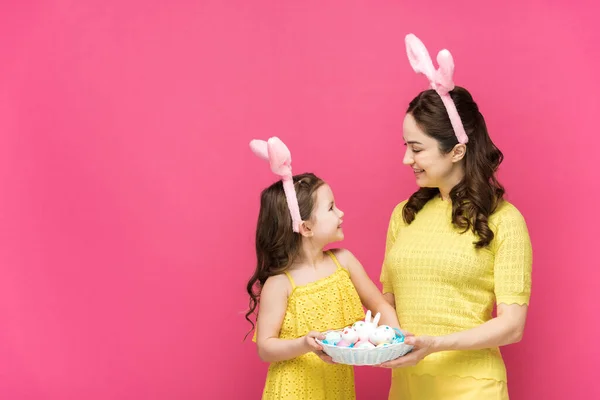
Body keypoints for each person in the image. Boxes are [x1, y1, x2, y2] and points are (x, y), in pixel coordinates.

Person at [377, 34, 532, 400]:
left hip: (472, 388)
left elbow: (512, 327)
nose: (406, 159)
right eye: (405, 147)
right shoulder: (405, 215)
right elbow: (389, 305)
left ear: (457, 150)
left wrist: (435, 344)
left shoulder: (504, 220)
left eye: (417, 149)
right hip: (406, 387)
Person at [245, 137, 402, 400]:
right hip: (293, 390)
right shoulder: (281, 283)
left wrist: (397, 342)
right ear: (305, 228)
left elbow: (381, 305)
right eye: (331, 208)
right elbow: (265, 347)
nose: (341, 213)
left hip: (336, 386)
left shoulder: (344, 261)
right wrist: (303, 344)